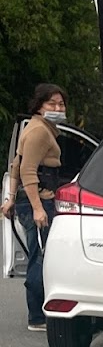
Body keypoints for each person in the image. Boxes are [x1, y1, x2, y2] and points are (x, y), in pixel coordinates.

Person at [0, 84, 67, 331]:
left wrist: (10, 198)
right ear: (39, 106)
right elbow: (28, 171)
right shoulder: (39, 131)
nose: (58, 108)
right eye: (52, 103)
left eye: (61, 104)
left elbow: (16, 166)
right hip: (38, 202)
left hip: (31, 201)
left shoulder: (38, 128)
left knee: (38, 255)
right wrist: (38, 208)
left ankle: (39, 312)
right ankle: (37, 316)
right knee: (40, 257)